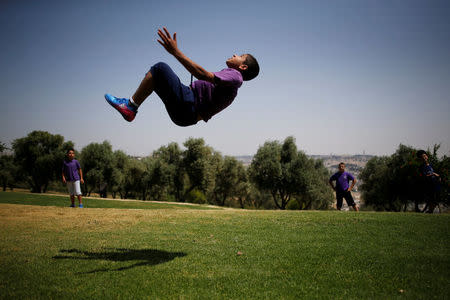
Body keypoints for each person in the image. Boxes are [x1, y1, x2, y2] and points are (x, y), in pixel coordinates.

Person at [104, 27, 259, 126]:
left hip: (188, 106)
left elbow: (203, 74)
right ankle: (131, 107)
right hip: (186, 113)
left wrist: (175, 52)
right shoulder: (231, 80)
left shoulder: (236, 76)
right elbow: (203, 76)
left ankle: (130, 107)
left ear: (243, 66)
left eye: (240, 55)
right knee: (154, 76)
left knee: (160, 68)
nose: (234, 54)